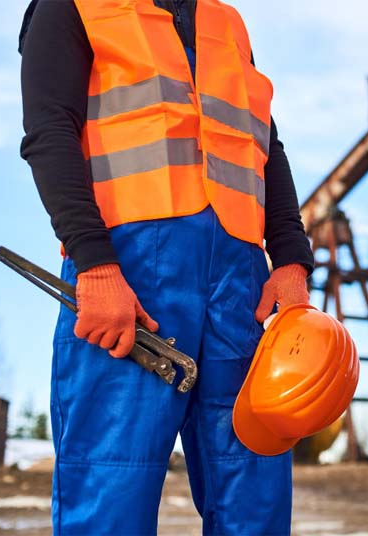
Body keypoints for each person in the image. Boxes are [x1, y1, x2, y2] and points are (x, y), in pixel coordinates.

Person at [19, 0, 313, 533]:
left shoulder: (226, 23)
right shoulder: (75, 7)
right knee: (112, 496)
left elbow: (267, 145)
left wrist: (291, 258)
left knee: (255, 497)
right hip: (129, 278)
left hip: (241, 289)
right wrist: (95, 266)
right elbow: (49, 132)